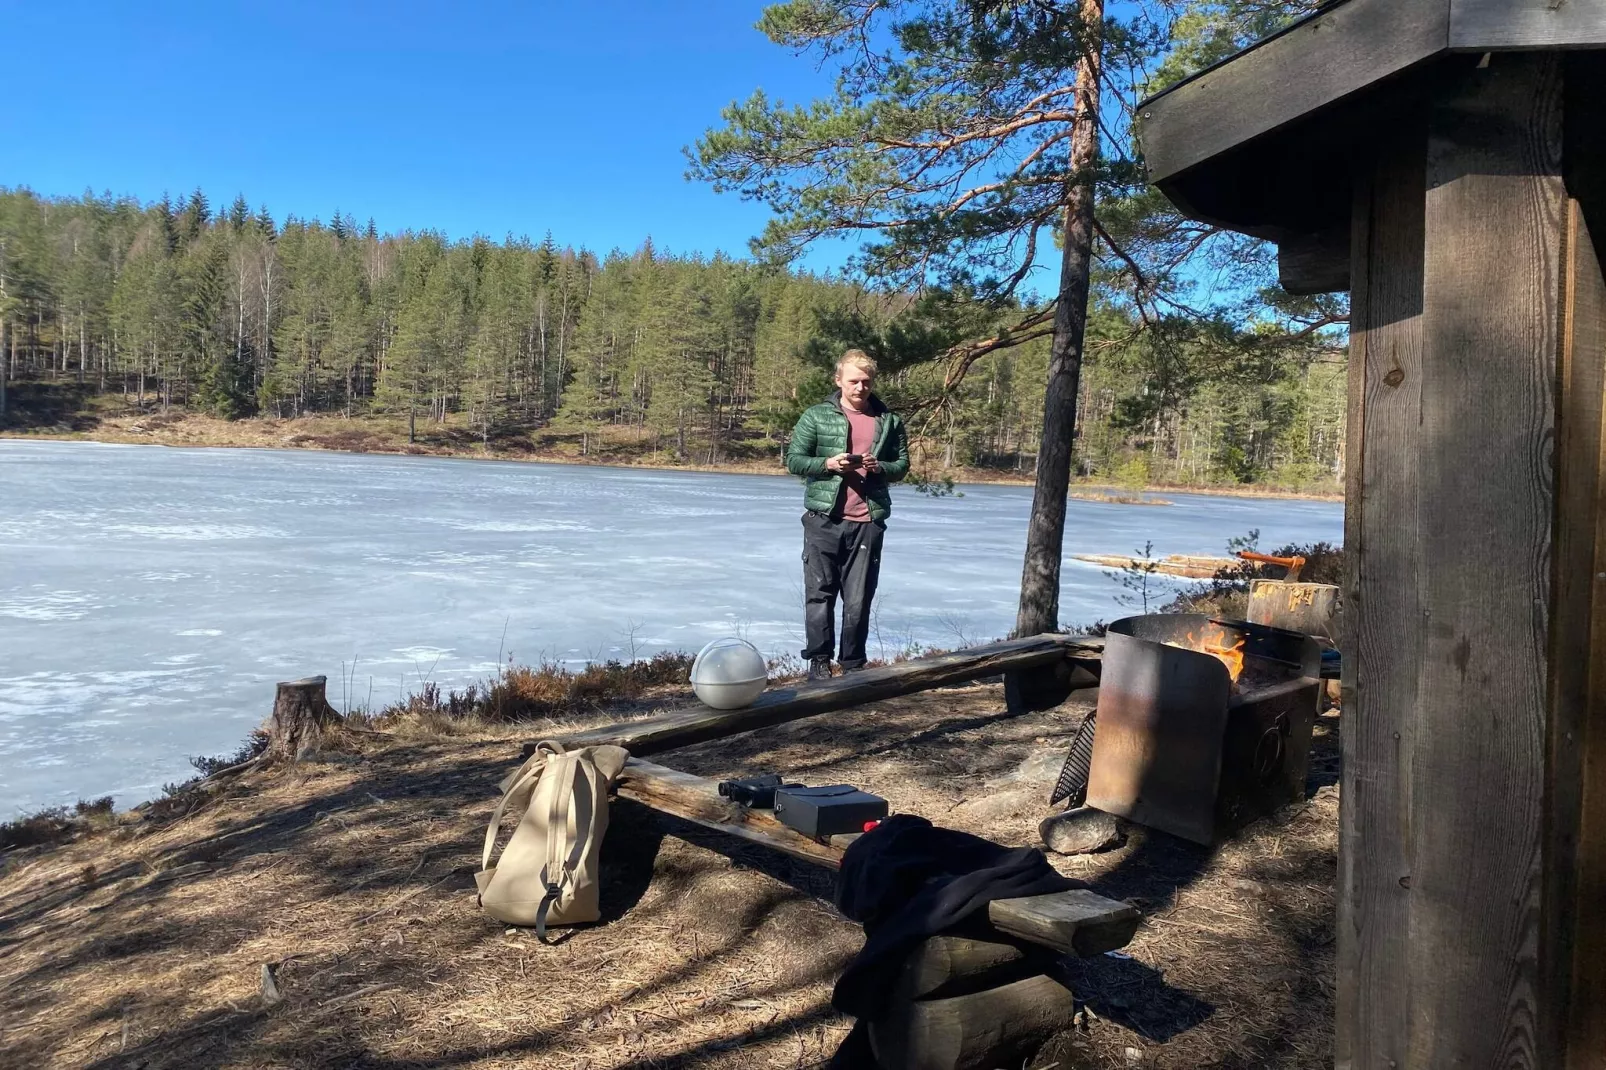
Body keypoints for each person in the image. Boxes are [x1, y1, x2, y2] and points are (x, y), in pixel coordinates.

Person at [785, 350, 911, 681]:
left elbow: (901, 467)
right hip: (823, 518)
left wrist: (878, 466)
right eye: (853, 380)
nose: (860, 387)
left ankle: (853, 665)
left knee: (859, 598)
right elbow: (794, 460)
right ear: (838, 380)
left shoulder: (889, 421)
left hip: (867, 522)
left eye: (866, 381)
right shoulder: (815, 416)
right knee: (819, 593)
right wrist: (828, 464)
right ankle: (819, 662)